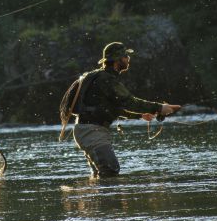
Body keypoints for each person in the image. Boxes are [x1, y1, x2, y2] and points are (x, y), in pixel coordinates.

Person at [70, 42, 181, 177]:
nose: (128, 59)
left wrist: (140, 116)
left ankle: (95, 196)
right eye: (126, 56)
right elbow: (129, 102)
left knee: (103, 173)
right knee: (110, 170)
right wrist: (160, 108)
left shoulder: (101, 77)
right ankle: (104, 198)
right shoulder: (107, 79)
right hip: (91, 132)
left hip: (88, 130)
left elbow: (112, 108)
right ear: (118, 60)